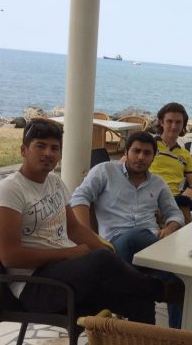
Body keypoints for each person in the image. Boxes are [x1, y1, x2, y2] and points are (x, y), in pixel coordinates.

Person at [0, 119, 179, 325]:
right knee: (102, 260)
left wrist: (110, 252)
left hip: (66, 275)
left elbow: (75, 228)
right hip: (35, 286)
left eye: (54, 148)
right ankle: (163, 291)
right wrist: (70, 253)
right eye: (40, 146)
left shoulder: (55, 183)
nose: (48, 153)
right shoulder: (9, 191)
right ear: (24, 150)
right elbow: (11, 257)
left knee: (138, 298)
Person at [70, 131, 185, 327]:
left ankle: (176, 334)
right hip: (115, 245)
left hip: (148, 246)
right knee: (134, 235)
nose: (141, 157)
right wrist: (87, 236)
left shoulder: (157, 183)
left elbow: (175, 214)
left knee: (180, 282)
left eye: (147, 153)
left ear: (153, 157)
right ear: (126, 152)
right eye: (136, 151)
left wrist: (169, 227)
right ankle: (175, 265)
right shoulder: (105, 171)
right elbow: (79, 198)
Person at [150, 102, 192, 214]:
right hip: (149, 197)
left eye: (178, 122)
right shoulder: (149, 145)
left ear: (183, 125)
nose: (174, 126)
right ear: (161, 122)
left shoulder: (185, 154)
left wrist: (191, 190)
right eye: (169, 121)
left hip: (174, 201)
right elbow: (122, 166)